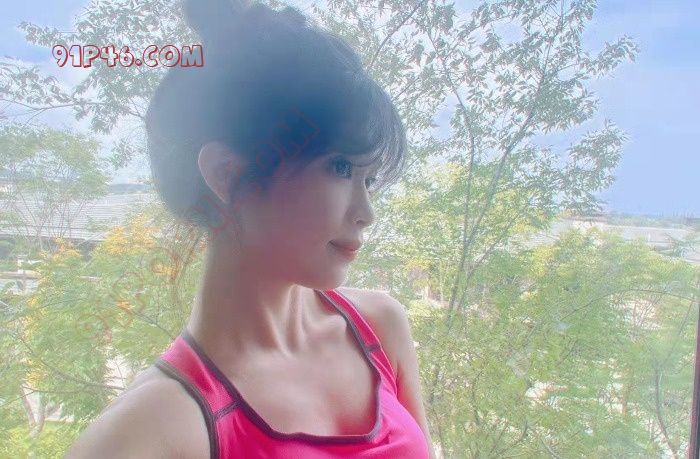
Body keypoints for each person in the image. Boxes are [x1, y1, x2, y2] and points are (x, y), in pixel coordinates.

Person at [67, 0, 436, 457]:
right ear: (227, 174)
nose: (366, 212)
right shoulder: (149, 433)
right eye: (341, 167)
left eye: (370, 179)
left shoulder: (380, 327)